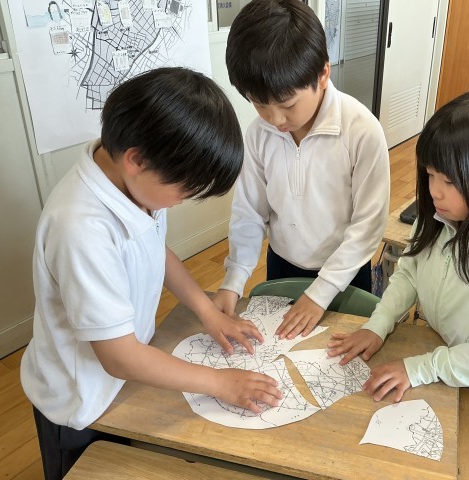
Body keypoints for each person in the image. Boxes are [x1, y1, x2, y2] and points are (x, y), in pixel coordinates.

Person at [20, 67, 283, 480]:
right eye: (184, 191)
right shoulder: (81, 228)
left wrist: (207, 311)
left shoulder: (130, 183)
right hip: (79, 402)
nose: (182, 202)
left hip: (123, 379)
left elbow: (155, 249)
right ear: (137, 160)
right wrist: (221, 383)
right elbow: (119, 357)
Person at [328, 91, 469, 400]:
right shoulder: (442, 213)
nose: (435, 192)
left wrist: (419, 368)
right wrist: (378, 323)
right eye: (430, 174)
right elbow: (409, 272)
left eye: (450, 181)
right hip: (438, 351)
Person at [212, 0, 390, 340]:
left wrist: (320, 293)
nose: (275, 119)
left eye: (287, 105)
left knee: (337, 357)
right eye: (260, 105)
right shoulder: (259, 134)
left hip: (344, 272)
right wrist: (233, 282)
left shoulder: (361, 131)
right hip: (283, 263)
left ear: (322, 74)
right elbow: (250, 212)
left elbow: (368, 225)